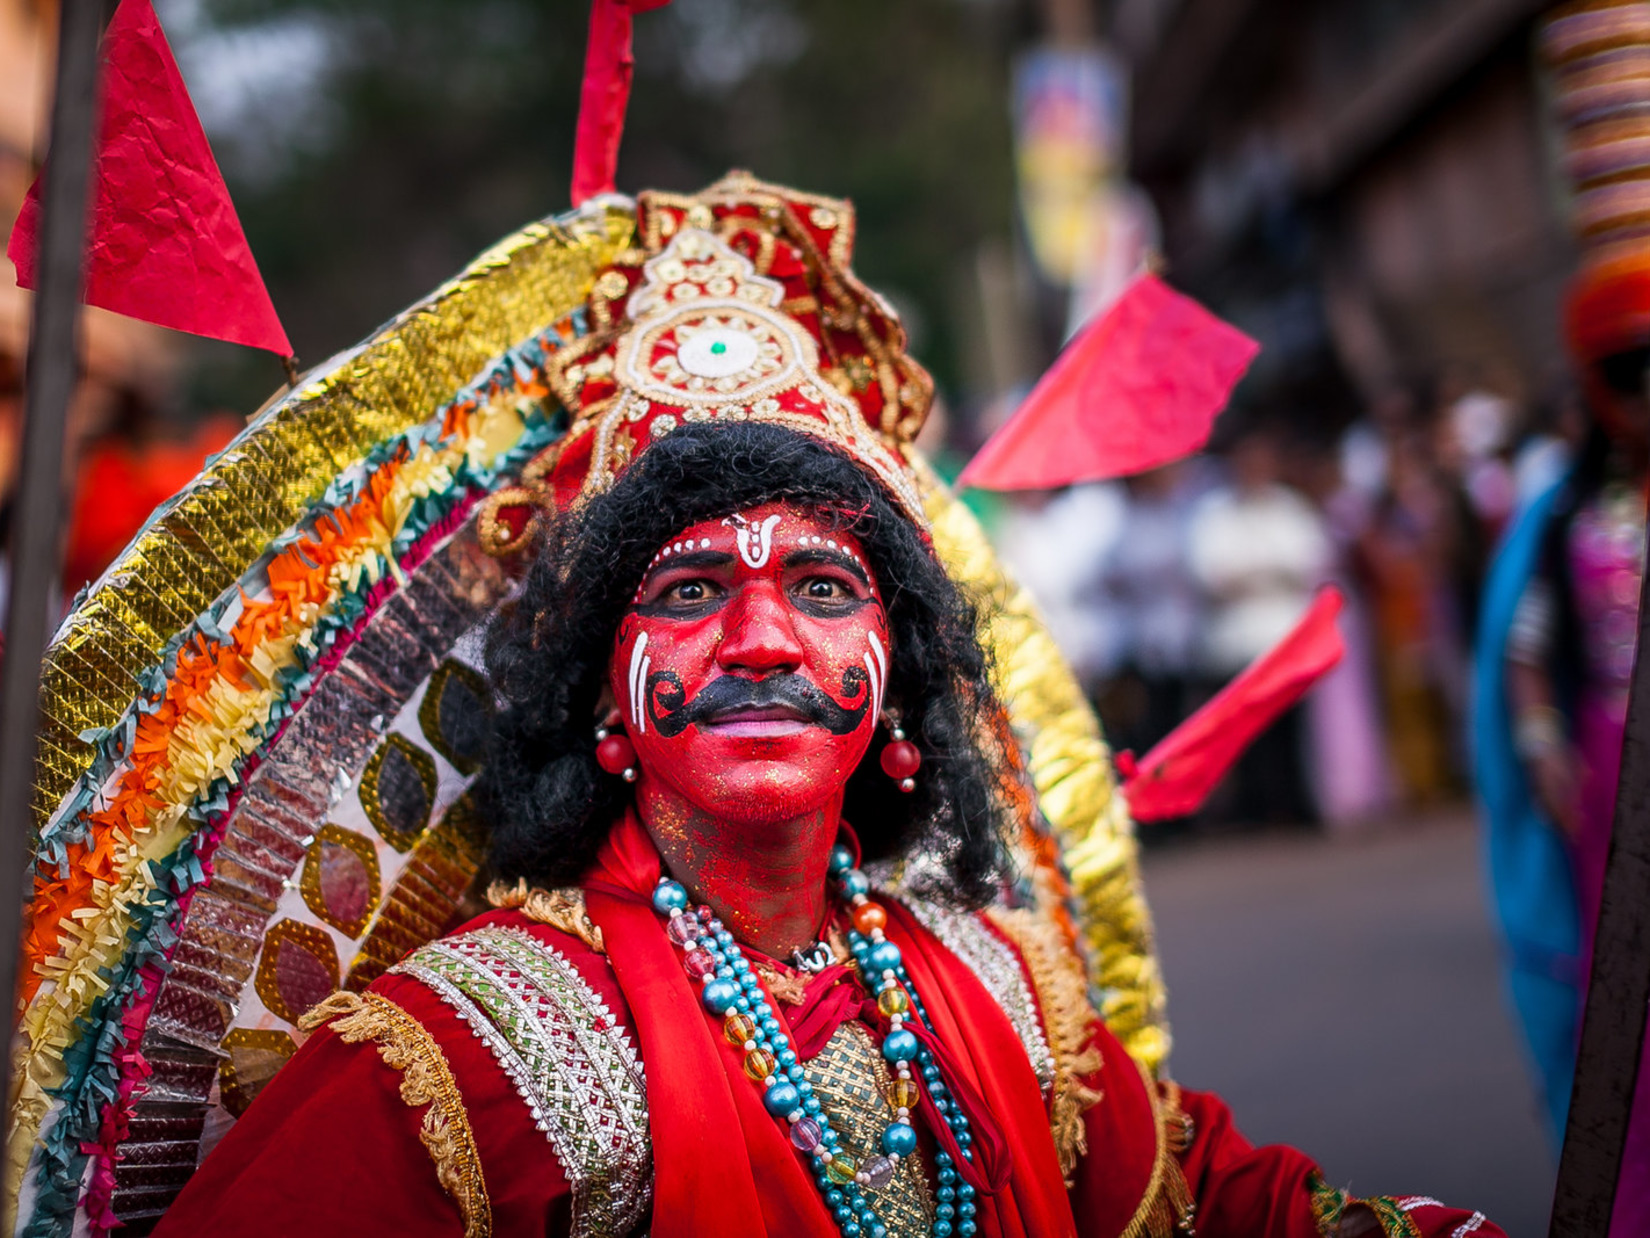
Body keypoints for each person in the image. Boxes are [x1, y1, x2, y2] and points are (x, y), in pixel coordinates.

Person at [149, 177, 1501, 1238]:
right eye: (684, 591)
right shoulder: (475, 1053)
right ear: (591, 690)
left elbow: (1215, 1196)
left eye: (817, 582)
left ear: (893, 675)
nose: (756, 638)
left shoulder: (988, 982)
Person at [1476, 249, 1650, 1230]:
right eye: (1630, 369)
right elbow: (1526, 648)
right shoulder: (1568, 518)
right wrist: (1543, 746)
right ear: (1593, 387)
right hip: (1612, 778)